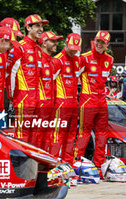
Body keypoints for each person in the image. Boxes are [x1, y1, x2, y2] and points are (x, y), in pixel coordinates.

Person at [75, 30, 114, 175]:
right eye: (97, 41)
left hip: (102, 100)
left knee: (102, 134)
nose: (99, 44)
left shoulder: (109, 60)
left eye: (102, 42)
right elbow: (74, 77)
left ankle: (99, 166)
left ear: (107, 45)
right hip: (88, 100)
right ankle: (77, 162)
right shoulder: (84, 58)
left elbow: (104, 80)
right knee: (83, 133)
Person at [6, 14, 48, 142]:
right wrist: (12, 96)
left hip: (37, 99)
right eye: (37, 26)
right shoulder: (19, 47)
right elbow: (10, 73)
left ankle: (32, 162)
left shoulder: (39, 50)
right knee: (22, 134)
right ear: (28, 28)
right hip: (23, 98)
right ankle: (20, 161)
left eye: (42, 26)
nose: (41, 29)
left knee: (35, 135)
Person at [49, 33, 82, 164]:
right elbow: (49, 83)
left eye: (76, 48)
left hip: (74, 103)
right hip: (61, 104)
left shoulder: (77, 60)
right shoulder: (57, 60)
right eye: (71, 47)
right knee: (57, 135)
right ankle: (54, 164)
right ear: (66, 44)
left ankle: (69, 163)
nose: (73, 50)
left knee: (71, 135)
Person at [35, 31, 63, 151]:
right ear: (44, 43)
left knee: (49, 137)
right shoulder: (37, 59)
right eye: (53, 41)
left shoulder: (54, 62)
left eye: (56, 41)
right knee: (38, 137)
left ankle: (46, 166)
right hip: (40, 106)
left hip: (50, 106)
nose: (56, 43)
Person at [0, 18, 23, 112]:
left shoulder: (4, 50)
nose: (14, 37)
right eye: (13, 33)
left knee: (0, 125)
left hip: (2, 93)